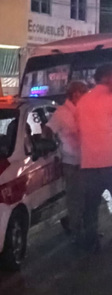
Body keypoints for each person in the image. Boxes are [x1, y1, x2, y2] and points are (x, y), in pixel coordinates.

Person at [44, 81, 88, 240]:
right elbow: (47, 130)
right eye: (84, 93)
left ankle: (85, 229)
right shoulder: (62, 113)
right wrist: (53, 145)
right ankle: (77, 231)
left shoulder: (82, 110)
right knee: (74, 198)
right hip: (71, 162)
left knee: (86, 196)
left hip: (87, 160)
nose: (86, 96)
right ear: (76, 94)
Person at [77, 65, 112, 252]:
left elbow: (79, 130)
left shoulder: (83, 101)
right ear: (107, 78)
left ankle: (91, 242)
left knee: (90, 206)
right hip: (110, 160)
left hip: (89, 163)